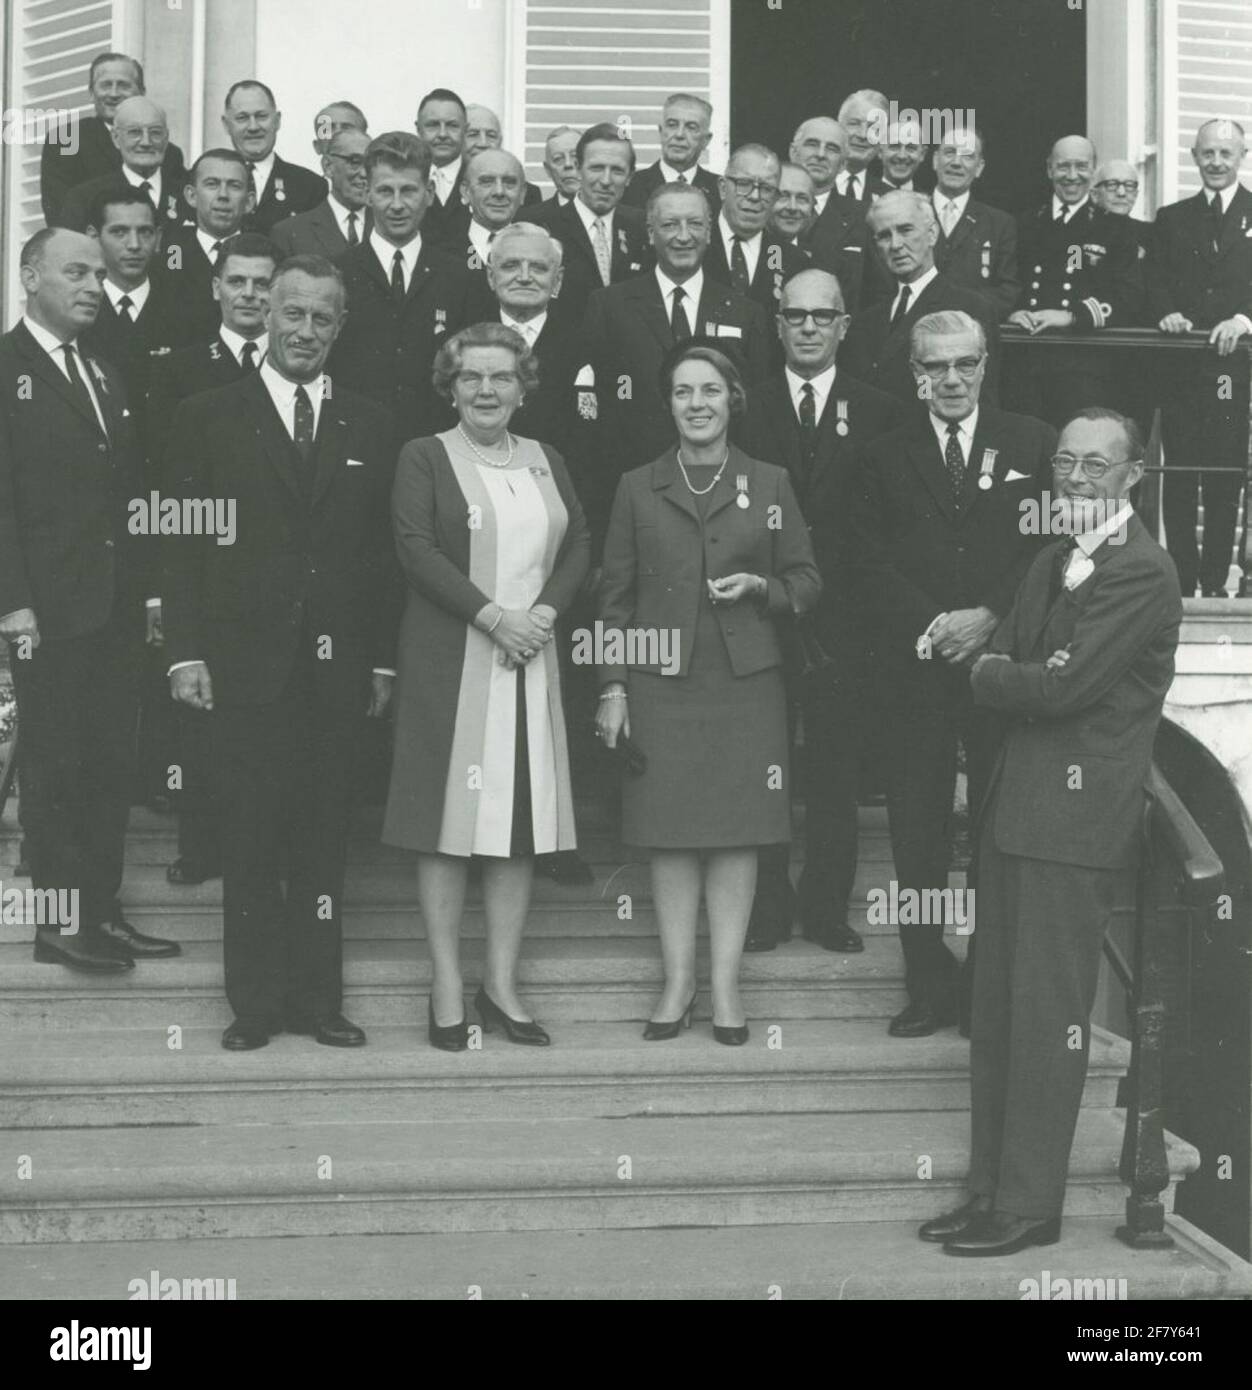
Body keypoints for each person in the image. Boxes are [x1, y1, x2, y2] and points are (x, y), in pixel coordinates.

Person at [923, 408, 1182, 1256]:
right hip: (1013, 813)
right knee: (997, 1014)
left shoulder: (1142, 571)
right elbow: (1024, 669)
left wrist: (997, 671)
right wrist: (1011, 672)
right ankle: (988, 1191)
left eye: (1097, 465)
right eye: (1065, 462)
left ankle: (1031, 1209)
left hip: (1072, 825)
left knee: (1048, 1019)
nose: (1075, 477)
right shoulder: (1048, 559)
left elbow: (1057, 689)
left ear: (1133, 475)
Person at [162, 255, 398, 1053]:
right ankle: (255, 1004)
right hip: (241, 666)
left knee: (324, 841)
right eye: (291, 312)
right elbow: (183, 542)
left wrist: (382, 661)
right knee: (252, 838)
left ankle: (318, 1000)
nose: (304, 330)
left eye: (321, 318)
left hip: (334, 673)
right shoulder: (207, 414)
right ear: (265, 313)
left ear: (340, 326)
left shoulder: (371, 421)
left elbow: (378, 557)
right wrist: (185, 652)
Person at [597, 342, 820, 1044]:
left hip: (745, 683)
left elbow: (808, 580)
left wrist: (764, 589)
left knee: (736, 835)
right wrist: (612, 687)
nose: (697, 404)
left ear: (733, 401)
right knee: (667, 835)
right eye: (684, 392)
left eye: (710, 391)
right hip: (660, 683)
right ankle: (677, 981)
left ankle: (725, 984)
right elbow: (614, 599)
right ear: (669, 403)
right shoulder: (638, 486)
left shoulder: (770, 482)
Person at [383, 323, 590, 1050]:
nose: (486, 390)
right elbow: (415, 549)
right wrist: (494, 617)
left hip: (532, 661)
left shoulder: (546, 458)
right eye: (471, 377)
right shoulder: (425, 456)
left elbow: (580, 544)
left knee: (519, 826)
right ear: (451, 383)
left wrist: (542, 616)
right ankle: (445, 984)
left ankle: (500, 983)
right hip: (453, 658)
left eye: (501, 377)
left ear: (524, 387)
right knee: (447, 826)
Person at [850, 310, 1055, 1037]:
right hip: (918, 671)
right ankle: (928, 984)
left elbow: (1048, 546)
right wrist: (939, 626)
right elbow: (865, 561)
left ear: (985, 365)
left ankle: (985, 984)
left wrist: (992, 616)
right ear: (914, 374)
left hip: (1002, 667)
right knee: (918, 834)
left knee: (1003, 827)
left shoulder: (1031, 442)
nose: (951, 379)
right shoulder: (881, 455)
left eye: (964, 363)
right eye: (935, 366)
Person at [0, 229, 178, 972]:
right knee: (53, 767)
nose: (92, 285)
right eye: (76, 271)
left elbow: (126, 497)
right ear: (30, 274)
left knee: (109, 767)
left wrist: (149, 593)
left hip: (112, 608)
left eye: (99, 275)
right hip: (44, 611)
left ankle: (101, 913)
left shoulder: (104, 372)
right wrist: (14, 604)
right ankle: (56, 923)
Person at [736, 269, 904, 953]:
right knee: (765, 765)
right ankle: (766, 905)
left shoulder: (883, 409)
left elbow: (889, 522)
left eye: (821, 316)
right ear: (777, 326)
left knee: (835, 768)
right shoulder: (748, 405)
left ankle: (828, 907)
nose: (808, 327)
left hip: (846, 619)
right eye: (795, 315)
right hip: (760, 611)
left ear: (843, 326)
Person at [147, 233, 278, 890]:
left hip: (280, 570)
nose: (252, 294)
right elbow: (165, 487)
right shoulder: (179, 369)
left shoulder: (297, 367)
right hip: (208, 566)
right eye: (240, 282)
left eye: (264, 283)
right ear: (215, 288)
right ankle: (201, 844)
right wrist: (161, 595)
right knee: (203, 715)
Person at [582, 182, 772, 550]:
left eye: (695, 224)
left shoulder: (746, 312)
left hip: (721, 498)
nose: (684, 236)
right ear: (651, 233)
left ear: (709, 230)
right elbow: (597, 420)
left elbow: (753, 414)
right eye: (670, 225)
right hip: (636, 494)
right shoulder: (609, 306)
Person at [1147, 118, 1252, 598]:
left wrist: (1243, 320)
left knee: (1225, 472)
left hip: (1231, 369)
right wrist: (1167, 311)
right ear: (1194, 157)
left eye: (1225, 154)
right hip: (1182, 369)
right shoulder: (1171, 218)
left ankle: (1213, 583)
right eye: (1207, 153)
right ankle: (1180, 581)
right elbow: (1154, 280)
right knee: (1181, 474)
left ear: (1241, 158)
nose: (1215, 162)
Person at [329, 132, 471, 453]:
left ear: (429, 193)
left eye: (408, 191)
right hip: (353, 448)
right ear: (367, 193)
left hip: (437, 448)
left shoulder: (458, 276)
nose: (396, 205)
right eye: (384, 191)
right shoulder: (337, 273)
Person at [1008, 136, 1143, 425]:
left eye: (1081, 166)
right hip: (1027, 361)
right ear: (1049, 170)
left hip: (1083, 366)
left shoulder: (1114, 228)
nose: (1072, 176)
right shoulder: (1027, 222)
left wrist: (1071, 316)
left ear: (1093, 171)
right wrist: (1013, 311)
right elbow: (1011, 279)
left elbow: (1128, 298)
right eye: (1063, 166)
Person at [842, 190, 1002, 407]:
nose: (896, 245)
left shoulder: (970, 307)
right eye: (884, 235)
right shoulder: (869, 315)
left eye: (906, 230)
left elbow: (984, 398)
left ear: (932, 234)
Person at [530, 123, 650, 323]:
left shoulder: (643, 226)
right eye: (596, 168)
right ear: (578, 168)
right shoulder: (541, 226)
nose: (605, 180)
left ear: (630, 177)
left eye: (617, 171)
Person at [40, 52, 147, 224]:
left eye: (123, 85)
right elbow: (60, 216)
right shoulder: (65, 140)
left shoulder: (168, 153)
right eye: (105, 85)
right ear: (91, 93)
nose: (113, 93)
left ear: (141, 93)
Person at [163, 149, 255, 346]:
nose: (223, 195)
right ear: (191, 195)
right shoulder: (171, 250)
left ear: (248, 202)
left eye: (234, 186)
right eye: (212, 184)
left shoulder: (263, 254)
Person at [706, 144, 808, 319]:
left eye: (766, 189)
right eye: (744, 184)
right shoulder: (693, 244)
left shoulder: (786, 258)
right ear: (723, 188)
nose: (755, 196)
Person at [58, 96, 187, 232]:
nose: (146, 142)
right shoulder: (84, 198)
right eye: (134, 132)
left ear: (166, 138)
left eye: (155, 133)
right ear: (115, 138)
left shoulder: (189, 195)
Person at [930, 125, 1019, 320]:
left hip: (973, 334)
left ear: (979, 168)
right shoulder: (912, 211)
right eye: (949, 152)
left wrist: (958, 309)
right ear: (935, 160)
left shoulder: (1000, 224)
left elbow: (1007, 292)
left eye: (968, 156)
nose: (956, 162)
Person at [222, 80, 325, 234]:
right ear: (226, 125)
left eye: (261, 116)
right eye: (242, 118)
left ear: (277, 121)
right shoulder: (204, 182)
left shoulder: (310, 186)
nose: (253, 127)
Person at [789, 117, 866, 307]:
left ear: (842, 165)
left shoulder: (863, 217)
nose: (821, 155)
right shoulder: (768, 209)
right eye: (812, 144)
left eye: (832, 149)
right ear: (793, 152)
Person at [271, 126, 371, 257]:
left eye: (370, 163)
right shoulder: (289, 232)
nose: (364, 173)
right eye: (355, 162)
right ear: (328, 166)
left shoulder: (387, 224)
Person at [623, 94, 722, 212]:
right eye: (672, 125)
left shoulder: (720, 190)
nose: (679, 134)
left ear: (706, 140)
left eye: (691, 127)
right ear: (661, 132)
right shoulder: (630, 186)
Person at [460, 149, 529, 293]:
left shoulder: (539, 250)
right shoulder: (441, 251)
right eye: (486, 182)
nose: (499, 192)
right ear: (466, 192)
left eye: (509, 183)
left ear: (522, 193)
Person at [416, 88, 469, 245]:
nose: (443, 134)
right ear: (418, 129)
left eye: (452, 125)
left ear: (465, 130)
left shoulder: (481, 178)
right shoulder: (404, 179)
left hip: (472, 266)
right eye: (432, 125)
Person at [463, 104, 543, 205]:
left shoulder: (528, 193)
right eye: (473, 134)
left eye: (491, 135)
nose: (483, 143)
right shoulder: (444, 189)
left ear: (500, 141)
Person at [835, 90, 890, 202]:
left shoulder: (889, 198)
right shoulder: (810, 185)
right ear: (838, 126)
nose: (863, 135)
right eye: (854, 123)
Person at [1091, 159, 1151, 255]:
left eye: (1129, 185)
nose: (1121, 193)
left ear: (1136, 195)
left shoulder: (1149, 234)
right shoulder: (1077, 233)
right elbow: (1072, 268)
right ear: (1095, 194)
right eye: (1111, 185)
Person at [872, 118, 932, 196]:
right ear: (880, 151)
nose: (902, 156)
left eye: (910, 148)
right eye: (895, 146)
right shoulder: (861, 197)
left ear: (922, 154)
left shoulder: (928, 203)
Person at [770, 163, 818, 249]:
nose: (792, 207)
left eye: (802, 198)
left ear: (812, 205)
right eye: (783, 196)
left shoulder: (820, 257)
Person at [540, 126, 582, 210]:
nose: (568, 164)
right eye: (558, 159)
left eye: (575, 156)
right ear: (548, 170)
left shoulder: (612, 215)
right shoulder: (529, 219)